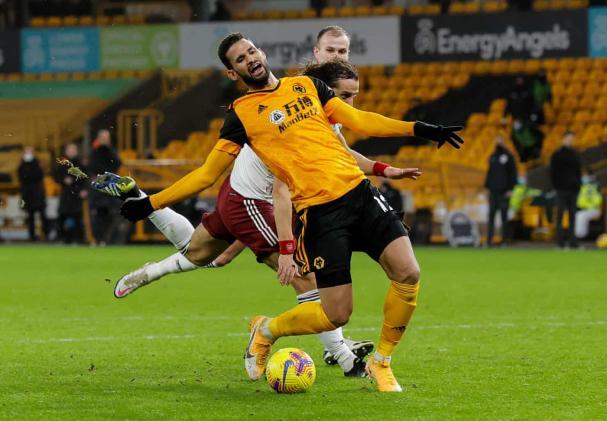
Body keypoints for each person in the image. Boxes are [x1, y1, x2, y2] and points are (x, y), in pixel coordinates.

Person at [118, 33, 463, 392]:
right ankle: (268, 330)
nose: (250, 59)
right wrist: (151, 203)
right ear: (233, 73)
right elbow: (208, 174)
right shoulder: (241, 115)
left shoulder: (308, 86)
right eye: (240, 59)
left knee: (408, 272)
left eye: (251, 51)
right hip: (316, 212)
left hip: (359, 195)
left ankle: (381, 361)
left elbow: (359, 121)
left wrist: (418, 129)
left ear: (262, 52)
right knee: (335, 312)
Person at [89, 130, 122, 246]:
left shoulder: (111, 151)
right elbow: (93, 168)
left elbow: (118, 163)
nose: (105, 140)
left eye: (107, 138)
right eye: (103, 138)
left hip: (109, 186)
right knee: (98, 214)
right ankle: (98, 238)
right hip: (100, 187)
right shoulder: (95, 152)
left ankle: (106, 239)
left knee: (110, 213)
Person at [550, 131, 582, 249]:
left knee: (572, 216)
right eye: (568, 138)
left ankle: (573, 242)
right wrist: (556, 186)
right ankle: (560, 242)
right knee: (560, 216)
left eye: (572, 139)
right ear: (563, 139)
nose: (570, 141)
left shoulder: (575, 154)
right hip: (561, 189)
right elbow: (553, 172)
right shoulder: (557, 154)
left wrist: (578, 185)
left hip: (573, 189)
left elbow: (578, 171)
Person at [484, 135, 517, 246]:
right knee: (491, 217)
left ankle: (504, 241)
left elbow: (513, 174)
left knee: (504, 217)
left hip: (504, 192)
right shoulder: (492, 157)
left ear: (504, 142)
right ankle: (489, 240)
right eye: (496, 141)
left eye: (500, 141)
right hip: (493, 192)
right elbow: (489, 173)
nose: (498, 143)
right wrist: (487, 187)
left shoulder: (509, 156)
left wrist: (511, 189)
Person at [54, 143, 88, 244]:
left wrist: (85, 190)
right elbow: (56, 176)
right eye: (70, 150)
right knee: (63, 215)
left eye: (73, 150)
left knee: (77, 216)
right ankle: (62, 238)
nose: (71, 152)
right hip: (65, 193)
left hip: (77, 193)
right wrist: (63, 180)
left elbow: (86, 178)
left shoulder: (81, 164)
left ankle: (78, 238)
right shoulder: (63, 164)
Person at [17, 145, 49, 241]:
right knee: (30, 215)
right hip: (27, 194)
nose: (28, 154)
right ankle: (31, 236)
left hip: (38, 193)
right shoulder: (22, 165)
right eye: (26, 152)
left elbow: (39, 176)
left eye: (30, 152)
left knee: (42, 214)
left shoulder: (37, 163)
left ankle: (46, 234)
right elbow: (21, 177)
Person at [575, 174, 602, 239]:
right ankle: (578, 235)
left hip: (595, 210)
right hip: (586, 210)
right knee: (578, 215)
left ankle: (581, 236)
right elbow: (579, 203)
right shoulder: (583, 189)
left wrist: (588, 205)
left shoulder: (595, 188)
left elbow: (598, 201)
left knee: (581, 216)